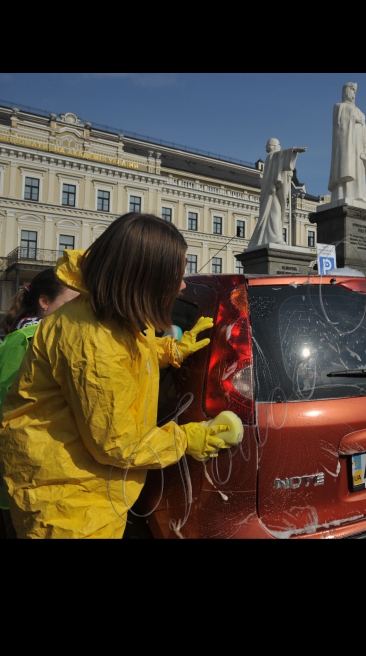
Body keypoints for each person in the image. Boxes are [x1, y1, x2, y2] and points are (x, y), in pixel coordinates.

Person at [0, 214, 235, 539]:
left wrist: (167, 351)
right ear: (145, 279)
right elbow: (117, 444)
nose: (182, 285)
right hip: (69, 509)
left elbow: (123, 350)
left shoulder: (99, 313)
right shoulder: (93, 342)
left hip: (78, 489)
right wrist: (185, 439)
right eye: (176, 275)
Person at [0, 269, 80, 538]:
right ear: (45, 303)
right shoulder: (28, 340)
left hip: (39, 477)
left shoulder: (44, 337)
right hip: (23, 480)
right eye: (72, 303)